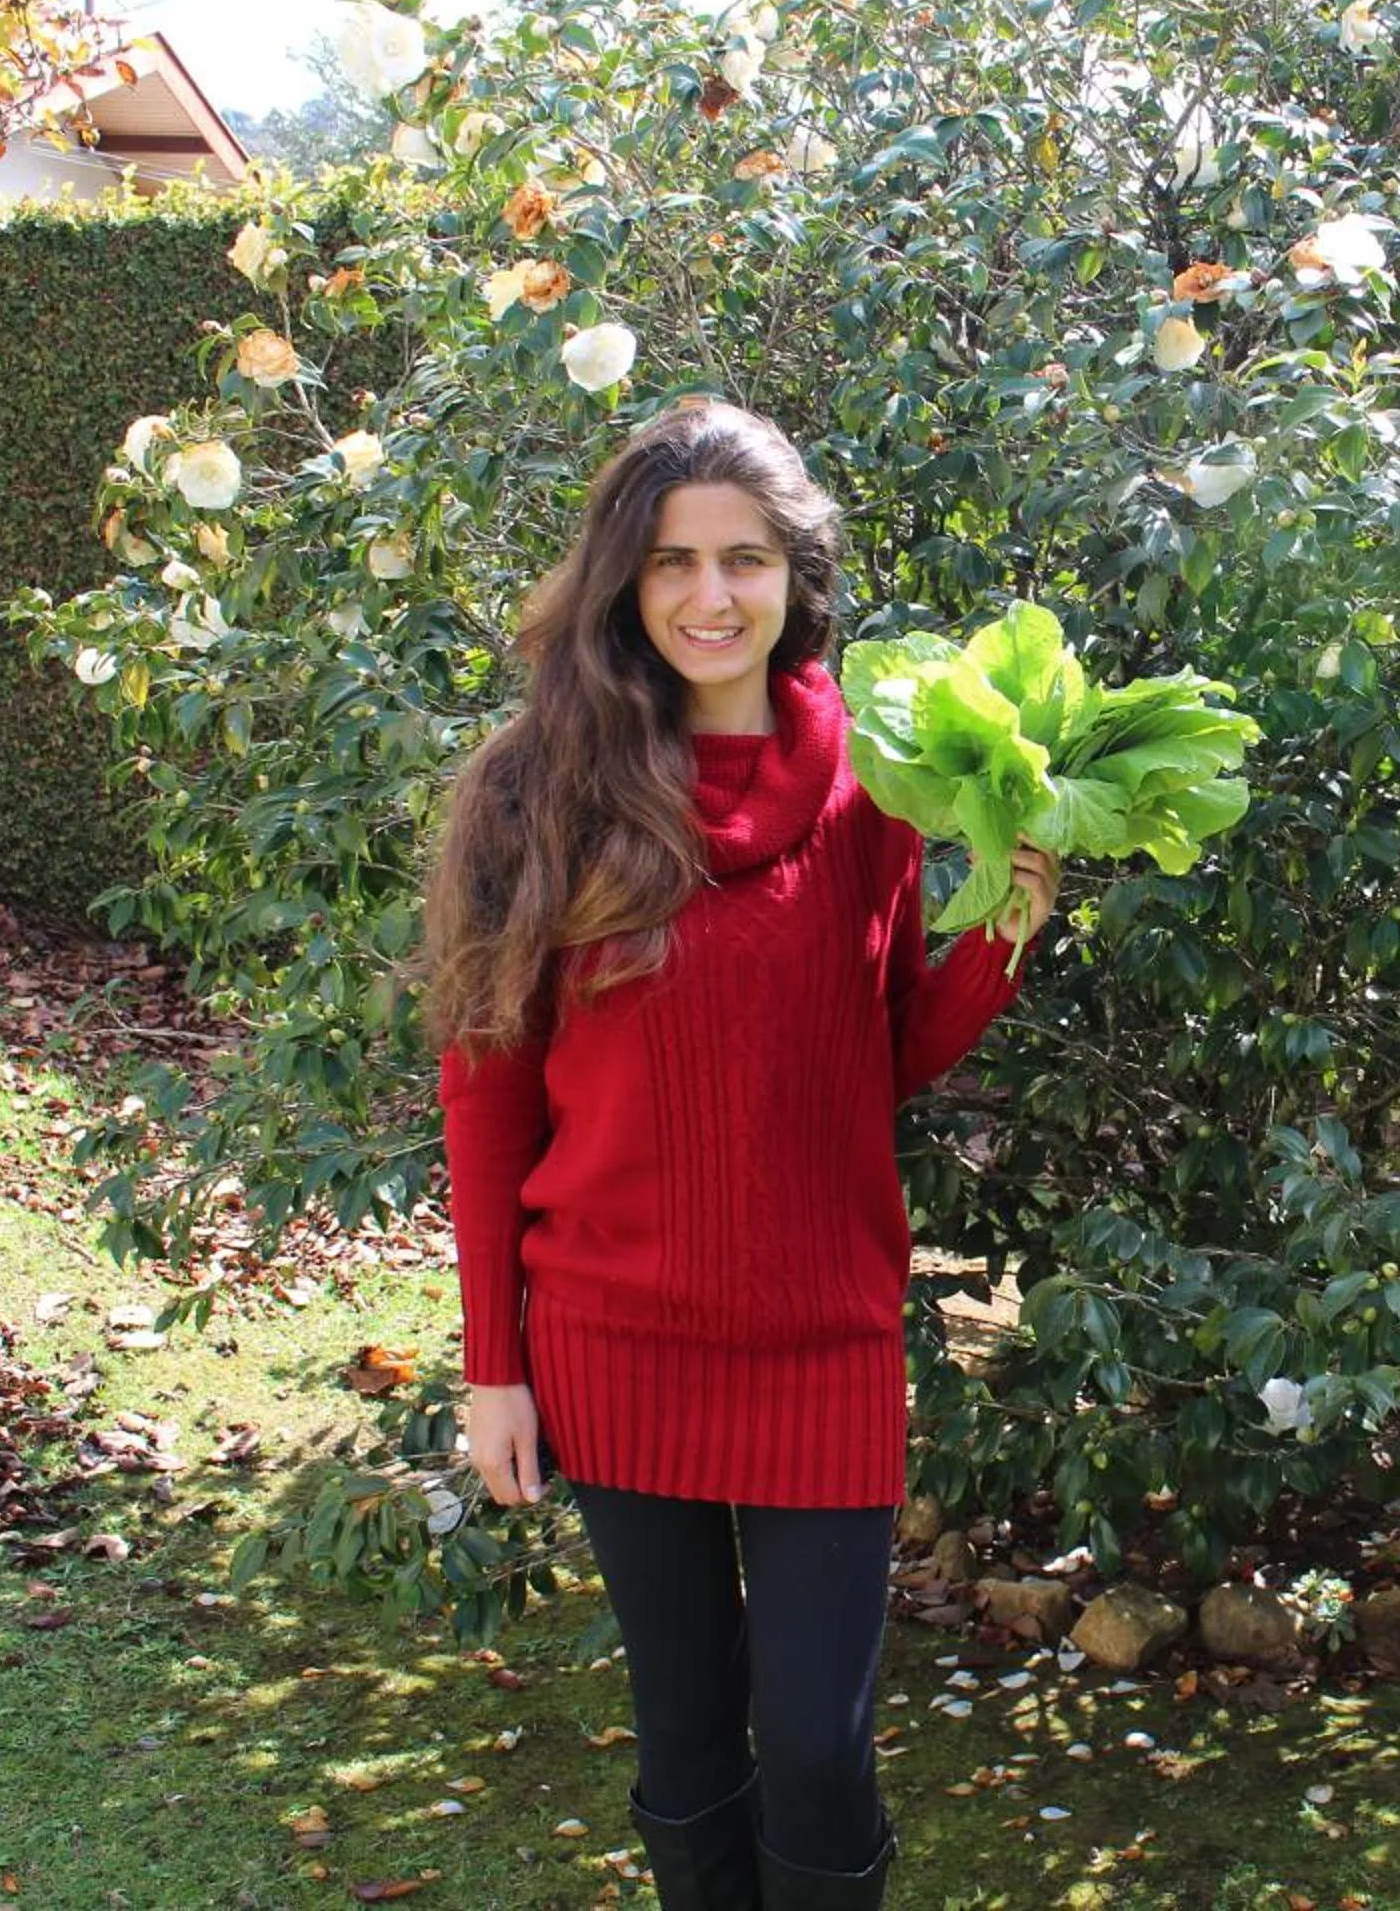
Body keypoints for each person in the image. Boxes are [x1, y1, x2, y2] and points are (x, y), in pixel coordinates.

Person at [419, 399, 1058, 1909]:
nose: (712, 597)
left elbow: (871, 1058)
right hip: (617, 1334)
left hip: (822, 1336)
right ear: (623, 586)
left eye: (747, 560)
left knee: (823, 1751)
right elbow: (489, 1092)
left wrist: (1004, 937)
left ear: (798, 577)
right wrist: (490, 1363)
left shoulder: (878, 791)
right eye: (673, 563)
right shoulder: (541, 785)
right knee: (689, 1739)